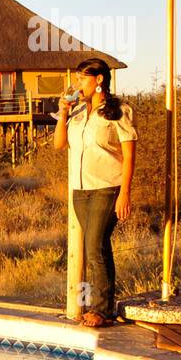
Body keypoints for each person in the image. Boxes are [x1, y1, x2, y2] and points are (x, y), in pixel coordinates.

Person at [53, 58, 137, 327]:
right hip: (81, 189)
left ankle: (102, 310)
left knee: (95, 246)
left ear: (99, 79)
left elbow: (129, 153)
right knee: (95, 248)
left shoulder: (118, 111)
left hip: (107, 186)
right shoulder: (78, 112)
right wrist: (63, 112)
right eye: (77, 79)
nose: (78, 84)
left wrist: (125, 192)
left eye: (83, 79)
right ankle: (98, 306)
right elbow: (58, 144)